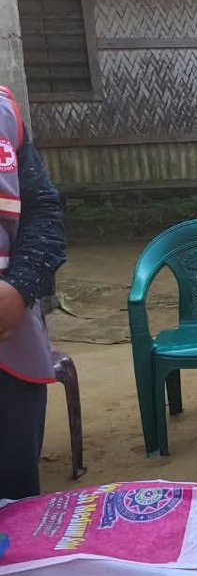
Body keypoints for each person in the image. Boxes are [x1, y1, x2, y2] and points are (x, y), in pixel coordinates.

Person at [0, 85, 67, 502]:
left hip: (10, 345)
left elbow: (43, 210)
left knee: (17, 506)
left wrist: (19, 288)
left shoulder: (4, 113)